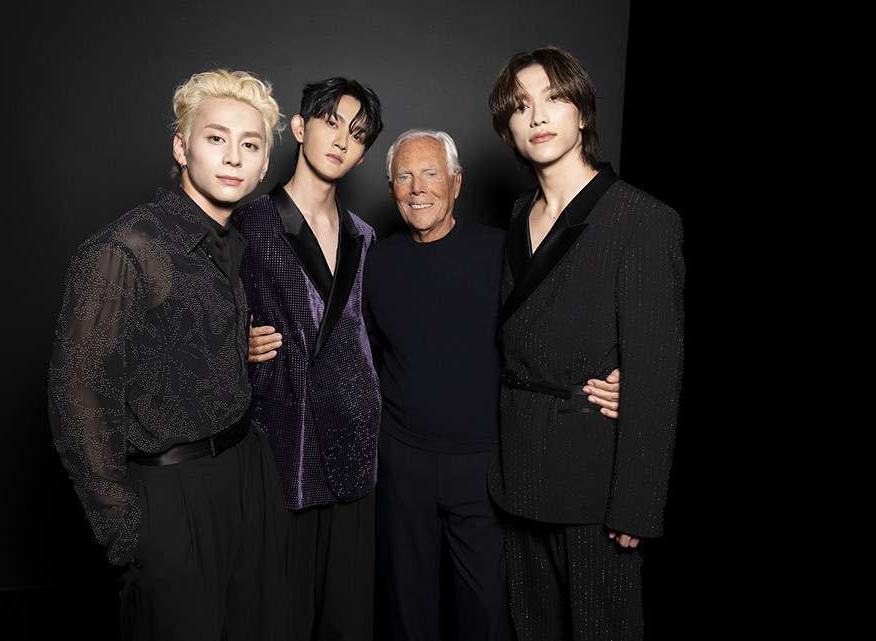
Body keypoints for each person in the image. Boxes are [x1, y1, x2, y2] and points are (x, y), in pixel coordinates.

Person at [47, 69, 288, 641]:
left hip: (242, 475)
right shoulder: (127, 249)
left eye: (250, 145)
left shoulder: (231, 243)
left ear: (262, 167)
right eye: (216, 138)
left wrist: (232, 351)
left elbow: (176, 344)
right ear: (182, 148)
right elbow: (76, 395)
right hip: (169, 494)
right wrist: (126, 530)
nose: (233, 157)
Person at [364, 129, 621, 641]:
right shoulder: (378, 260)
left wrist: (615, 372)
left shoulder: (500, 251)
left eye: (430, 174)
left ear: (456, 183)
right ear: (391, 188)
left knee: (486, 609)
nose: (417, 188)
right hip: (402, 462)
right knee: (407, 607)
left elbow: (555, 324)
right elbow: (358, 351)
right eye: (404, 177)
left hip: (483, 464)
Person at [486, 47, 685, 641]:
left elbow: (657, 373)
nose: (537, 116)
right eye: (520, 106)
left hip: (595, 483)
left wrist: (637, 505)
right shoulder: (519, 212)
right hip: (519, 472)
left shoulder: (641, 219)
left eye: (553, 98)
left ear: (582, 112)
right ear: (508, 128)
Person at [235, 76, 384, 641]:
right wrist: (237, 342)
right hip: (282, 443)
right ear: (299, 127)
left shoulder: (364, 236)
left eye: (358, 134)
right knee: (279, 613)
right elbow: (206, 319)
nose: (342, 139)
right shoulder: (249, 223)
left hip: (354, 436)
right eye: (330, 122)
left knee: (347, 614)